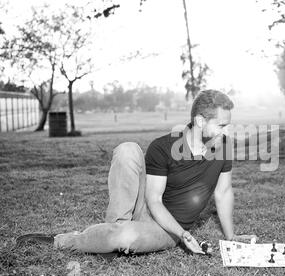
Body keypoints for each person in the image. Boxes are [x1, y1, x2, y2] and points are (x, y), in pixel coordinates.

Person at [17, 89, 256, 256]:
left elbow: (223, 192)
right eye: (222, 125)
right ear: (201, 121)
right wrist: (186, 236)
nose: (226, 130)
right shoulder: (163, 146)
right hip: (149, 207)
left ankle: (115, 238)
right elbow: (153, 199)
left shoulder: (223, 146)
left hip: (167, 229)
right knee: (128, 149)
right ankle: (67, 240)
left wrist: (230, 235)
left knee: (125, 238)